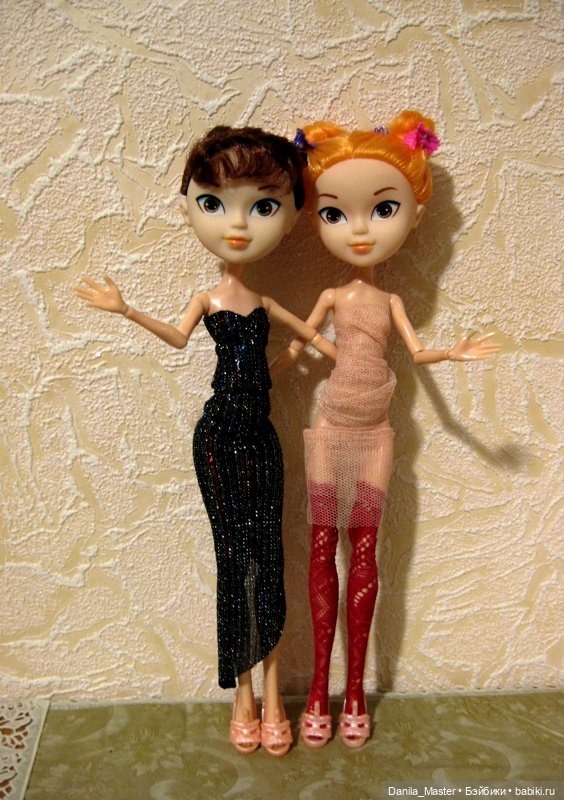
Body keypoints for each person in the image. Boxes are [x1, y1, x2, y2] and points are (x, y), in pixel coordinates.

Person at [76, 125, 336, 757]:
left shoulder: (266, 302)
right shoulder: (209, 300)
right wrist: (126, 310)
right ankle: (242, 691)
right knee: (232, 560)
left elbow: (315, 341)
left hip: (262, 439)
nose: (238, 225)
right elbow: (177, 338)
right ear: (190, 205)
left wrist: (308, 355)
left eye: (263, 206)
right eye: (214, 203)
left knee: (269, 557)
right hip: (217, 438)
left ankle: (274, 692)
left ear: (291, 214)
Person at [272, 111, 499, 749]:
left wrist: (452, 353)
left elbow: (416, 355)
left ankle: (354, 693)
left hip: (375, 433)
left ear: (414, 215)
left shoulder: (389, 302)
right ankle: (317, 689)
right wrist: (278, 364)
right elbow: (304, 344)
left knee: (365, 551)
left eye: (383, 210)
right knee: (322, 547)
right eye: (335, 213)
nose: (359, 230)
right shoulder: (334, 297)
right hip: (331, 429)